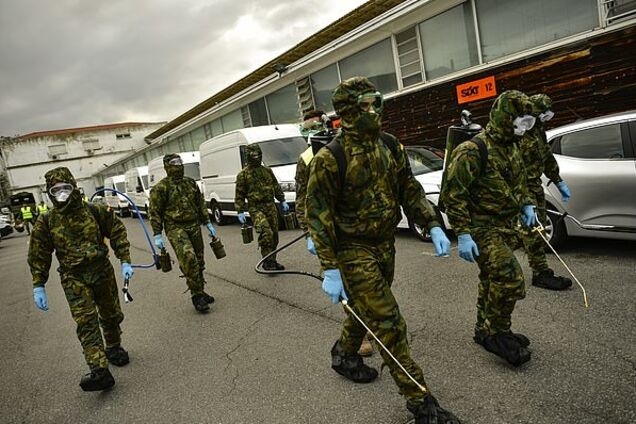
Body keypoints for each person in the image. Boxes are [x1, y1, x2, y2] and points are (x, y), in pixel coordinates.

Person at [306, 76, 458, 424]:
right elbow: (317, 215)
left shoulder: (390, 145)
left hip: (385, 245)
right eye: (364, 106)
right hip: (351, 251)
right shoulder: (331, 158)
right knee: (389, 322)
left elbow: (409, 187)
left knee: (366, 309)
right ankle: (421, 403)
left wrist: (431, 222)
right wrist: (329, 267)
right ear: (346, 111)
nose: (373, 111)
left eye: (376, 103)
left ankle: (345, 354)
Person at [440, 90, 538, 367]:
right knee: (510, 279)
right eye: (521, 121)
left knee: (491, 279)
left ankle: (484, 330)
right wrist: (462, 233)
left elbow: (519, 182)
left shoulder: (512, 146)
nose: (524, 128)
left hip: (505, 225)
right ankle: (498, 332)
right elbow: (452, 195)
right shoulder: (472, 150)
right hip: (481, 228)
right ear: (505, 117)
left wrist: (526, 204)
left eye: (529, 123)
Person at [27, 166, 133, 392]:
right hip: (74, 278)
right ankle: (99, 370)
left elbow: (116, 231)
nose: (62, 193)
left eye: (66, 187)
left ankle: (113, 347)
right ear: (49, 193)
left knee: (112, 314)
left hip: (102, 271)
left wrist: (124, 259)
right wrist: (38, 284)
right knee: (86, 323)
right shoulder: (46, 222)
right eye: (56, 190)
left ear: (74, 187)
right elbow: (39, 254)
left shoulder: (94, 211)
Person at [296, 110, 375, 357]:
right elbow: (302, 200)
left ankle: (366, 323)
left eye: (319, 124)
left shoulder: (345, 146)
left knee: (370, 280)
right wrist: (309, 232)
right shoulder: (307, 158)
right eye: (310, 126)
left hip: (357, 226)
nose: (316, 129)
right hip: (328, 229)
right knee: (348, 285)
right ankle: (359, 335)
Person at [149, 153, 217, 313]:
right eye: (174, 163)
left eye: (180, 162)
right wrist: (157, 234)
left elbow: (200, 203)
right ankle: (196, 296)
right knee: (189, 259)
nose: (178, 165)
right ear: (167, 166)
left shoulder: (190, 183)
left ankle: (200, 290)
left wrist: (208, 222)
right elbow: (155, 212)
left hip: (193, 225)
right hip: (175, 228)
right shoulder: (160, 188)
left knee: (199, 261)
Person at [519, 94, 572, 290]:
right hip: (521, 188)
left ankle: (525, 265)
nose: (546, 118)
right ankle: (540, 273)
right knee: (533, 230)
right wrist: (524, 200)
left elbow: (547, 157)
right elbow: (513, 169)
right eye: (543, 114)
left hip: (535, 186)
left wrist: (557, 180)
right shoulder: (520, 133)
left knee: (534, 228)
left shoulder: (538, 131)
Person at [235, 144, 289, 271]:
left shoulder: (267, 171)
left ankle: (272, 261)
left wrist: (282, 200)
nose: (256, 157)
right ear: (248, 156)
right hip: (256, 208)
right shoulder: (243, 175)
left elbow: (275, 186)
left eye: (258, 155)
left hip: (270, 205)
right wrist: (240, 210)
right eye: (253, 155)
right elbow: (239, 194)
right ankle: (266, 261)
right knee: (266, 233)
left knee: (274, 235)